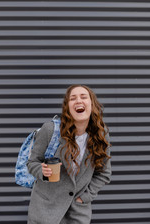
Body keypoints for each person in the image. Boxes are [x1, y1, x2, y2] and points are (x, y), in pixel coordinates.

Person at [27, 84, 112, 224]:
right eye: (73, 98)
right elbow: (32, 162)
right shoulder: (50, 130)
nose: (78, 100)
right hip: (45, 210)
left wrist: (84, 198)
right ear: (68, 107)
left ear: (92, 104)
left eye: (83, 97)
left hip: (77, 212)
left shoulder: (101, 135)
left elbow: (104, 173)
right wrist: (42, 171)